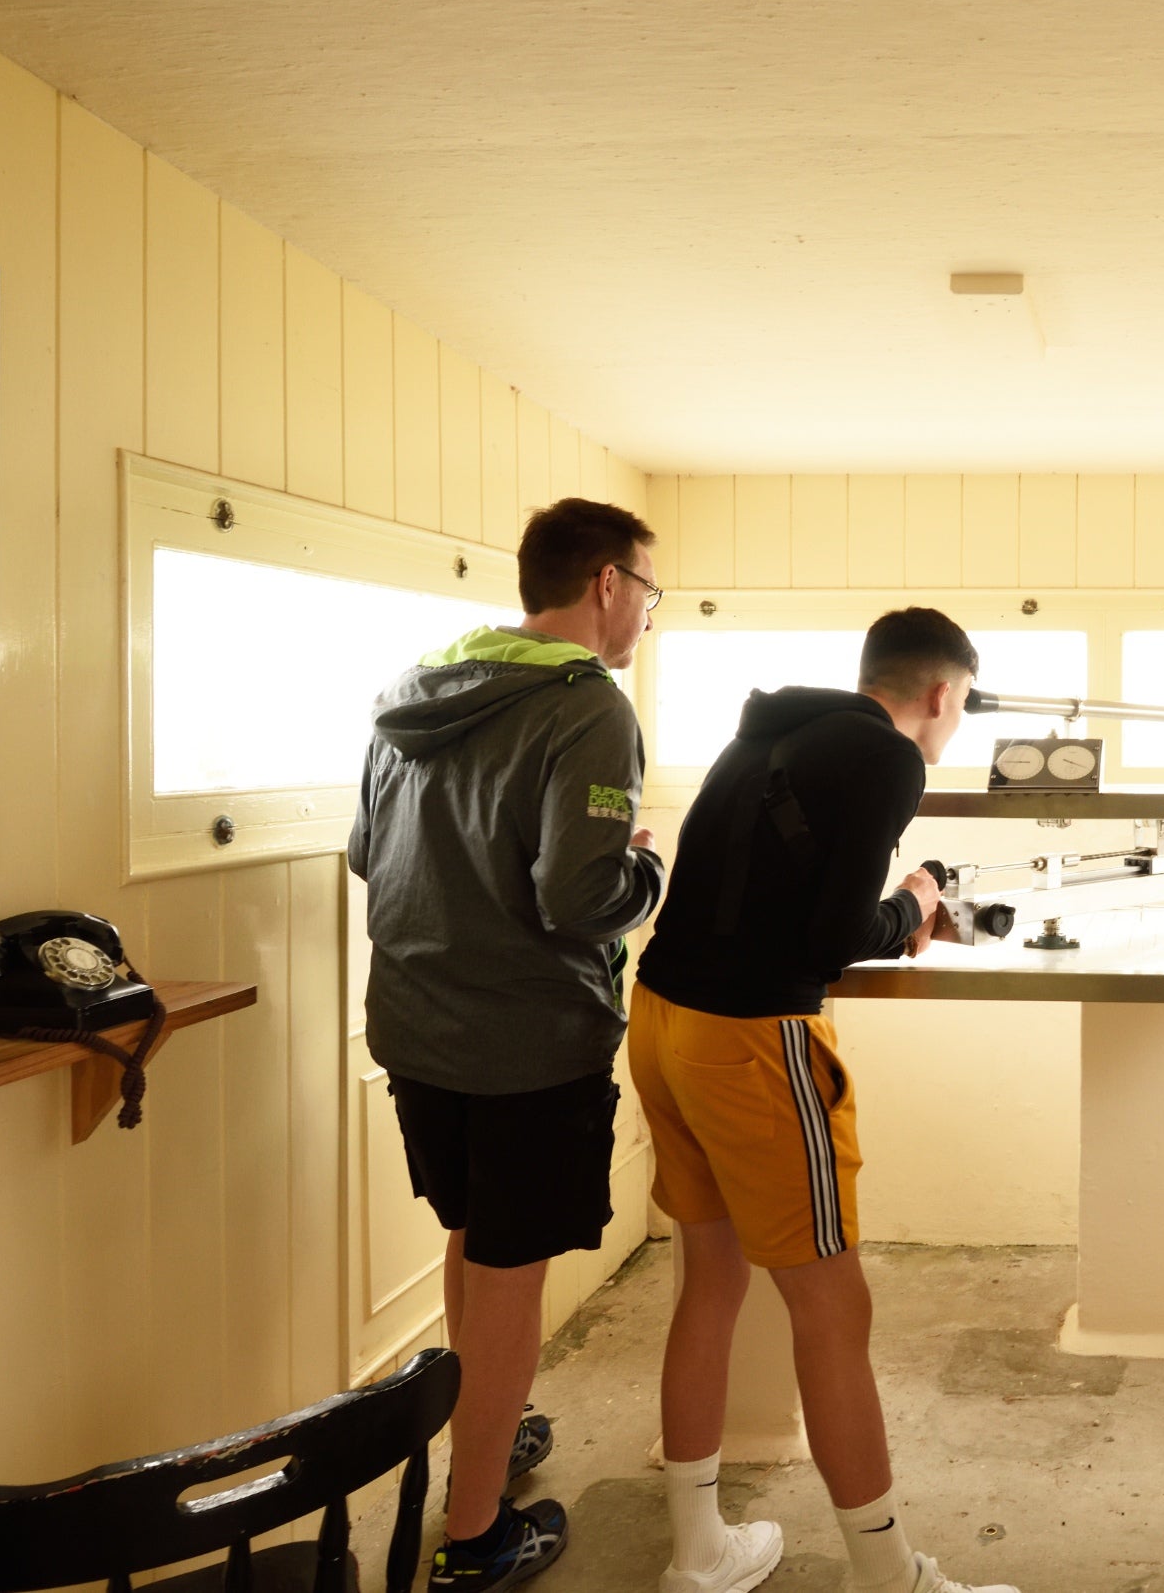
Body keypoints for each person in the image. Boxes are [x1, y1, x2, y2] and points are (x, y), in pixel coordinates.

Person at [629, 607, 1018, 1593]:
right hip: (753, 1041)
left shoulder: (764, 731)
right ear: (940, 693)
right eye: (961, 706)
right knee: (834, 1308)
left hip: (662, 1016)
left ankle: (699, 1549)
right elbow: (835, 935)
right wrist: (916, 902)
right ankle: (889, 1575)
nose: (954, 723)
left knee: (709, 1281)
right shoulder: (890, 758)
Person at [347, 497, 669, 1590]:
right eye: (649, 594)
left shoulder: (416, 690)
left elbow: (362, 853)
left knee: (473, 1237)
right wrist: (646, 866)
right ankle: (475, 1534)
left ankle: (494, 1419)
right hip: (526, 1039)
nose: (647, 617)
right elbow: (581, 897)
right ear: (608, 585)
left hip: (415, 1021)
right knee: (514, 1273)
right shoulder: (589, 708)